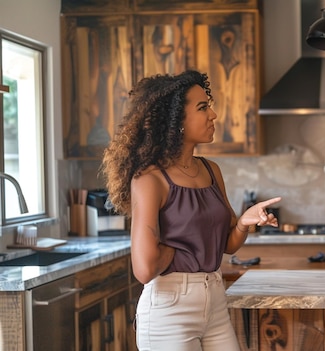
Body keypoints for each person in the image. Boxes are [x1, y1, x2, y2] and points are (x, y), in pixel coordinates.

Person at [101, 69, 280, 351]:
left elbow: (228, 246)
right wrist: (182, 249)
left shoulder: (211, 170)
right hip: (170, 309)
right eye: (202, 107)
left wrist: (244, 223)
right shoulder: (150, 179)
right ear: (176, 121)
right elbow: (145, 268)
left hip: (215, 301)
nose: (213, 115)